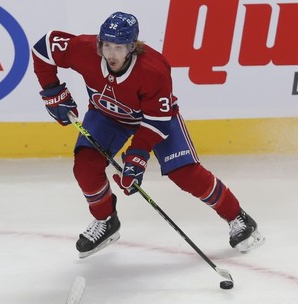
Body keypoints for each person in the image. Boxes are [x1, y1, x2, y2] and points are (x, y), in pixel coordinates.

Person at [32, 12, 265, 258]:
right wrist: (52, 92)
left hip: (154, 120)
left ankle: (237, 216)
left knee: (185, 174)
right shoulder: (85, 49)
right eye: (106, 45)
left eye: (119, 47)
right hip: (107, 115)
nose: (111, 53)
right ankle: (106, 222)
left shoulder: (153, 69)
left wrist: (137, 157)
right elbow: (44, 46)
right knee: (85, 166)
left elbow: (157, 120)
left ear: (132, 47)